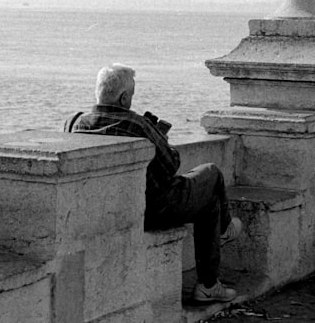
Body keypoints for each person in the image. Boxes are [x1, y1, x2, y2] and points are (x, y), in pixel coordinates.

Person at [65, 63, 242, 303]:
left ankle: (215, 264)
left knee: (208, 201)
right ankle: (219, 249)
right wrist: (161, 139)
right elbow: (171, 165)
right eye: (132, 94)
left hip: (108, 209)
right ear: (124, 97)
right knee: (210, 174)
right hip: (153, 208)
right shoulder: (138, 125)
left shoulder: (74, 123)